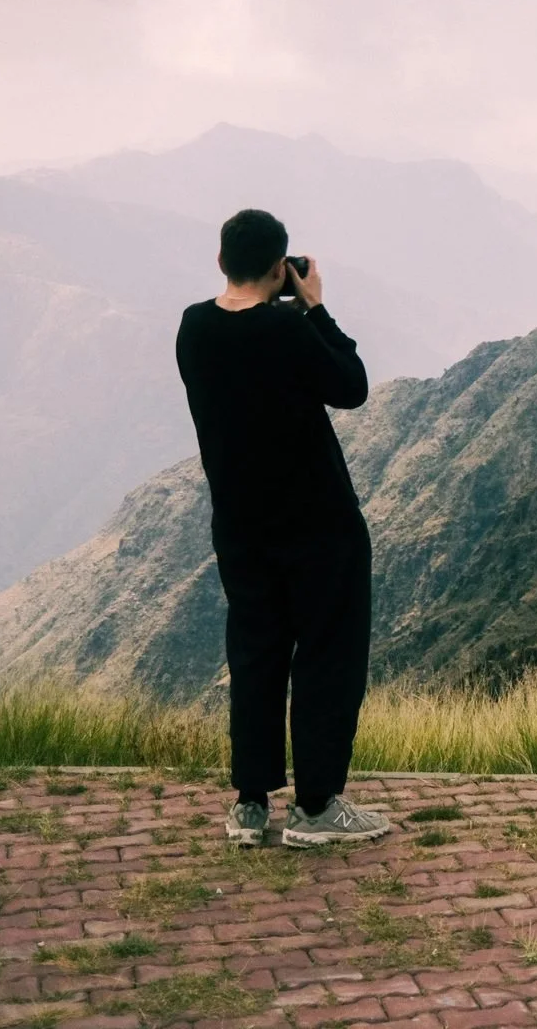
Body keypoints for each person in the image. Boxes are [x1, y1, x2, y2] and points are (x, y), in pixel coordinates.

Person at [175, 209, 391, 848]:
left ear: (221, 261)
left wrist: (282, 303)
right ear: (281, 267)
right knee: (327, 655)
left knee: (255, 654)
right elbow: (350, 387)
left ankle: (250, 804)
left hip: (240, 525)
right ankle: (317, 806)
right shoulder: (288, 328)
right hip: (319, 523)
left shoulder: (193, 327)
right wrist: (315, 307)